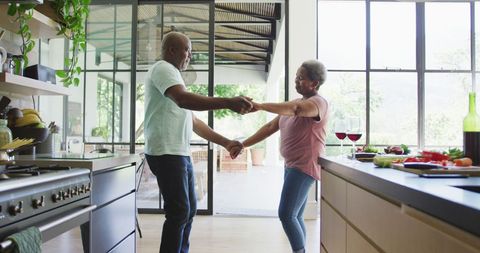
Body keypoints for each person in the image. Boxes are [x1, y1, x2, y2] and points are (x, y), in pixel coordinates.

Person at [143, 31, 252, 253]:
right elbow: (183, 100)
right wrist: (228, 102)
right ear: (172, 50)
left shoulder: (174, 79)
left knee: (188, 209)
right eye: (187, 50)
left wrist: (226, 142)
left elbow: (195, 122)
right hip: (166, 153)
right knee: (179, 211)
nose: (190, 56)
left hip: (179, 153)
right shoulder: (163, 69)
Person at [240, 60, 329, 253]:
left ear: (314, 83)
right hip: (292, 165)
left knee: (286, 214)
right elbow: (270, 127)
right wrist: (243, 144)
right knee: (295, 215)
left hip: (305, 166)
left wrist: (261, 105)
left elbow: (297, 111)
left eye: (301, 78)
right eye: (296, 77)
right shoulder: (295, 103)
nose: (296, 81)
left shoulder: (317, 103)